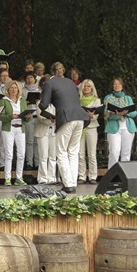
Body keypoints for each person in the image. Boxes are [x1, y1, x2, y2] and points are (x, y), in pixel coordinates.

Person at [38, 63, 91, 193]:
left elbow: (44, 105)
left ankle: (68, 184)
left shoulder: (49, 83)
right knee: (73, 151)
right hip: (80, 117)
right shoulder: (70, 82)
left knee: (61, 151)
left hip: (66, 117)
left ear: (52, 73)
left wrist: (43, 100)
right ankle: (72, 182)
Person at [0, 80, 31, 186]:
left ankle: (19, 177)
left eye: (16, 88)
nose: (14, 90)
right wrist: (10, 116)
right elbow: (0, 116)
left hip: (20, 128)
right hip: (9, 129)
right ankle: (7, 178)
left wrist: (28, 117)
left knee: (21, 154)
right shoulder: (4, 100)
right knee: (9, 154)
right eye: (12, 88)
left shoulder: (22, 100)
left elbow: (26, 116)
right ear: (8, 89)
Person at [103, 77, 137, 169]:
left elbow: (134, 113)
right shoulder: (108, 98)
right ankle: (112, 175)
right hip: (113, 127)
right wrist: (117, 115)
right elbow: (106, 114)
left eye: (119, 84)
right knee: (114, 152)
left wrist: (125, 113)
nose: (117, 86)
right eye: (115, 84)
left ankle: (124, 176)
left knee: (126, 153)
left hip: (128, 127)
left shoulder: (128, 98)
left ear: (122, 86)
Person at [78, 79, 102, 184]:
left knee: (92, 153)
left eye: (88, 86)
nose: (86, 88)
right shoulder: (77, 100)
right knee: (80, 154)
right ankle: (82, 176)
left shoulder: (96, 100)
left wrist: (92, 115)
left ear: (92, 88)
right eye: (84, 86)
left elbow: (97, 115)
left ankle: (93, 176)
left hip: (91, 127)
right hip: (80, 128)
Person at [35, 75, 58, 185]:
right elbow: (40, 118)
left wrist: (55, 120)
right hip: (43, 130)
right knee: (43, 155)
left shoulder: (56, 103)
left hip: (54, 131)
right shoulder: (39, 102)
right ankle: (43, 178)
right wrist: (51, 120)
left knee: (53, 156)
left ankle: (52, 177)